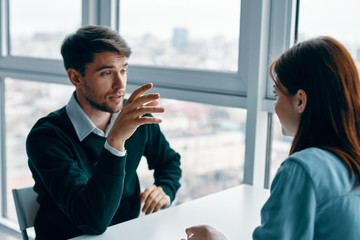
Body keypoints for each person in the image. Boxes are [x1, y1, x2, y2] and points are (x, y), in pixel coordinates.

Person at [183, 36, 360, 240]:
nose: (275, 105)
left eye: (277, 94)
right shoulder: (349, 164)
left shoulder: (302, 171)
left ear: (300, 100)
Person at [26, 25, 182, 240]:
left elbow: (169, 161)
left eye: (124, 70)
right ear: (76, 78)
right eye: (107, 73)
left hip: (127, 234)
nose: (120, 84)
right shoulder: (46, 137)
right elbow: (92, 221)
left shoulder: (135, 117)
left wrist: (165, 189)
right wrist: (115, 143)